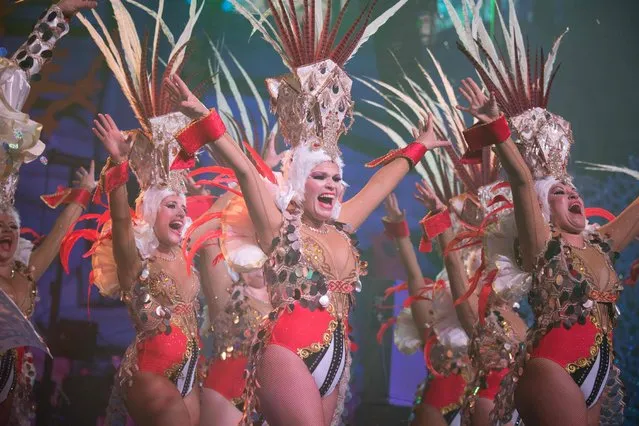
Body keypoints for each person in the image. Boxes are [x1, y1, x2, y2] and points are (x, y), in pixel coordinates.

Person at [165, 2, 446, 424]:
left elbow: (379, 184)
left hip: (334, 360)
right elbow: (243, 168)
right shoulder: (278, 224)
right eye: (321, 176)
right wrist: (202, 116)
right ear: (299, 182)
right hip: (286, 353)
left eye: (336, 177)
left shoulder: (343, 223)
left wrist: (419, 145)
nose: (333, 184)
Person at [455, 54, 639, 426]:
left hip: (597, 374)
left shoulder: (601, 244)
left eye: (573, 189)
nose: (572, 195)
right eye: (559, 192)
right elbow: (522, 180)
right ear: (542, 208)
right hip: (552, 370)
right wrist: (497, 126)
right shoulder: (543, 244)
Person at [80, 1, 207, 424]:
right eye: (170, 205)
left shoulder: (189, 255)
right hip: (151, 375)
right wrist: (118, 164)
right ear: (151, 215)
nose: (181, 211)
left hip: (190, 375)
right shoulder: (137, 264)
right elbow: (119, 221)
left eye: (182, 207)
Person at [0, 1, 98, 424]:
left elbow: (18, 73)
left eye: (8, 230)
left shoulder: (22, 275)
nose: (5, 236)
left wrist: (83, 194)